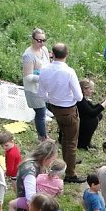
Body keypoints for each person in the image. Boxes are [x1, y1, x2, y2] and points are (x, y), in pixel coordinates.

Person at [38, 43, 81, 183]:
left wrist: (51, 100)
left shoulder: (44, 70)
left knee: (64, 137)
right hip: (68, 109)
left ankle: (68, 161)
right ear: (66, 55)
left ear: (52, 54)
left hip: (54, 107)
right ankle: (70, 174)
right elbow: (79, 96)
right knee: (71, 142)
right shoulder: (69, 72)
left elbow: (41, 93)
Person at [4, 140, 58, 211]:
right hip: (32, 209)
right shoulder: (30, 171)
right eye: (52, 159)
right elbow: (30, 198)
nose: (53, 162)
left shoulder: (36, 162)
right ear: (46, 157)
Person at [21, 28, 50, 140]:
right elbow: (27, 77)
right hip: (34, 89)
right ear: (32, 39)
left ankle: (44, 134)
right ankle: (42, 137)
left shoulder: (45, 50)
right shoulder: (28, 56)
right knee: (40, 113)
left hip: (44, 87)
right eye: (39, 40)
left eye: (44, 40)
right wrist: (43, 77)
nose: (41, 43)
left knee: (44, 110)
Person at [77, 79, 106, 150]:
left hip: (80, 119)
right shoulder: (80, 99)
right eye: (91, 89)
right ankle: (83, 144)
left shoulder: (82, 98)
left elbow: (92, 108)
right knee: (93, 120)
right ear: (84, 89)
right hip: (77, 122)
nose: (93, 91)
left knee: (99, 115)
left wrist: (104, 100)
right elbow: (92, 113)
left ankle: (86, 141)